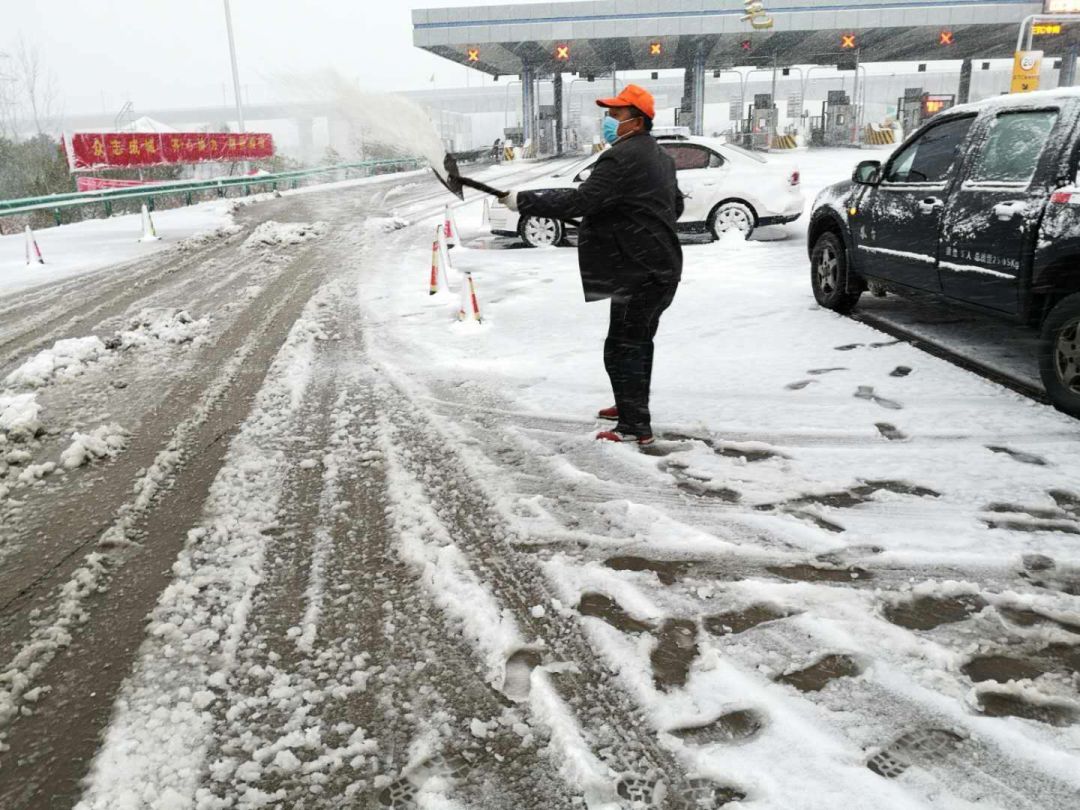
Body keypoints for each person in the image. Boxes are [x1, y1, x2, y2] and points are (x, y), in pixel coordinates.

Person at [499, 85, 683, 447]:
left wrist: (525, 200)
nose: (609, 121)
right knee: (634, 341)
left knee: (625, 345)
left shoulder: (622, 157)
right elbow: (673, 206)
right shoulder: (660, 157)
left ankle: (634, 426)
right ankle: (628, 405)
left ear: (636, 120)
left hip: (639, 271)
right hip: (657, 267)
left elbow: (582, 199)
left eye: (616, 115)